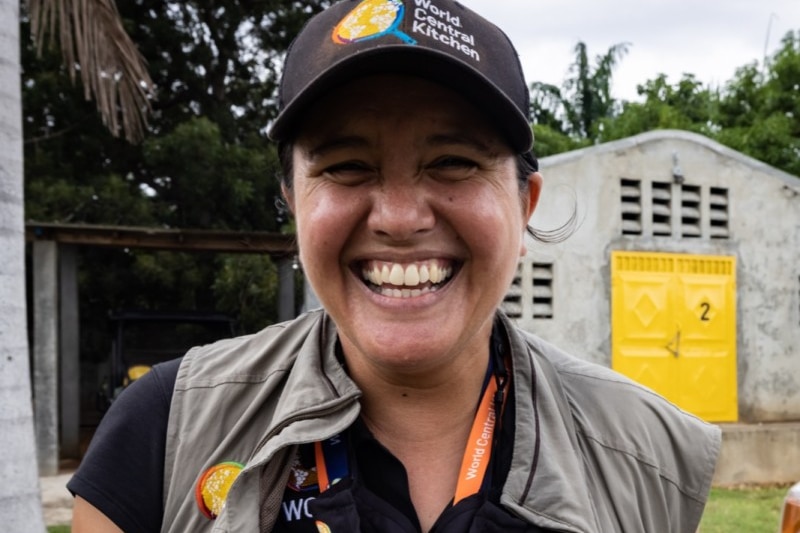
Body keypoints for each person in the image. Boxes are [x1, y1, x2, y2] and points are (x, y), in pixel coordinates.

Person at [69, 0, 721, 531]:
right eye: (347, 165)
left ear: (524, 206)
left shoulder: (654, 456)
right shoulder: (164, 429)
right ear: (295, 203)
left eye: (454, 161)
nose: (400, 217)